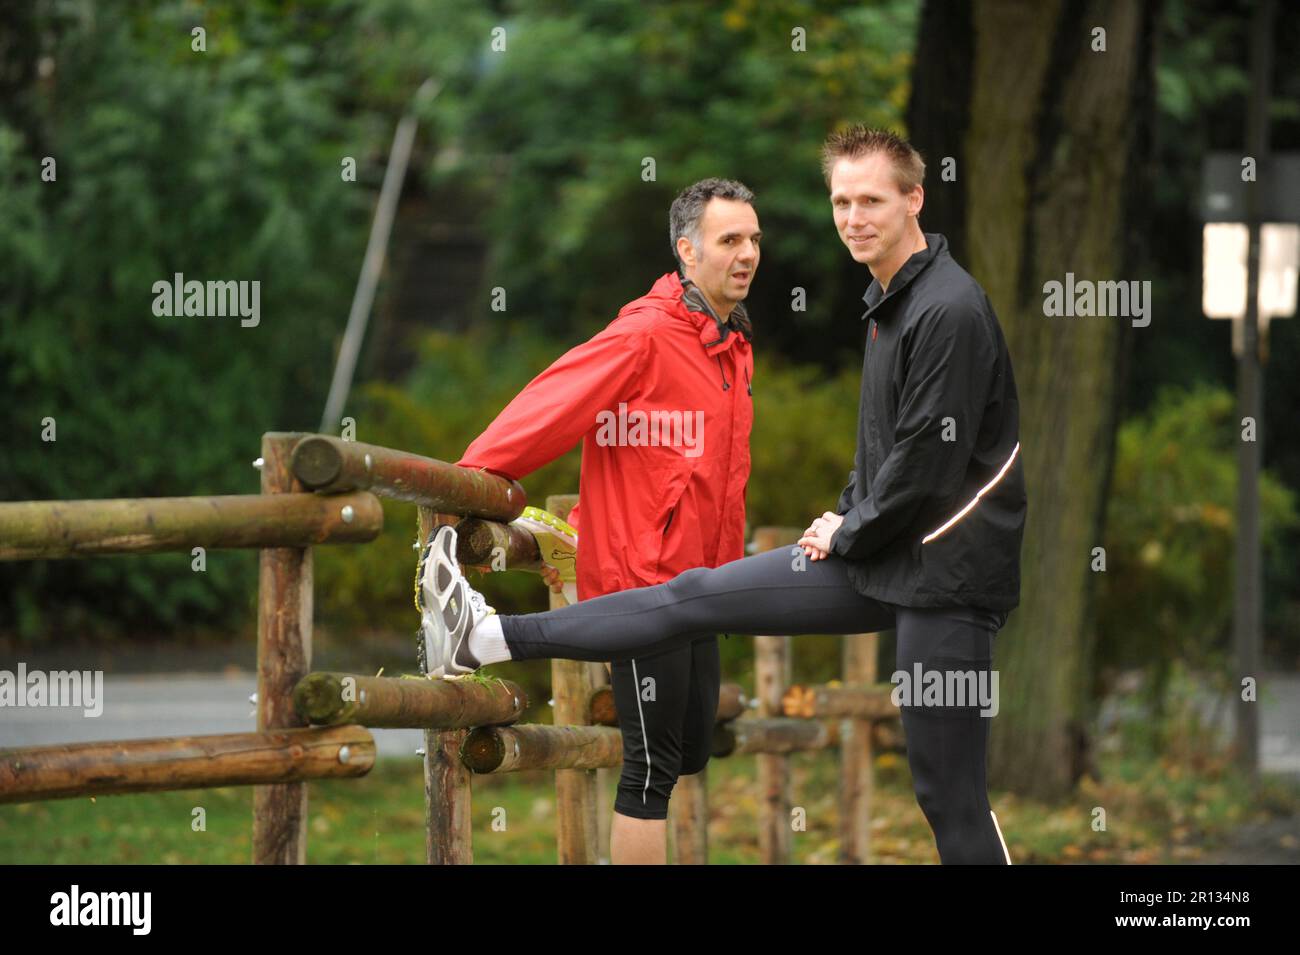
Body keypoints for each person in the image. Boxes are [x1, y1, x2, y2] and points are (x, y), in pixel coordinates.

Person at [422, 127, 1026, 864]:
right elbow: (886, 450)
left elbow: (929, 459)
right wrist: (846, 513)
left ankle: (487, 637)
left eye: (871, 199)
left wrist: (851, 525)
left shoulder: (946, 308)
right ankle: (486, 637)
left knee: (948, 793)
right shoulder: (887, 302)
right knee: (694, 595)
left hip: (945, 581)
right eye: (841, 200)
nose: (853, 216)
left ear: (914, 200)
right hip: (884, 557)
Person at [437, 178, 762, 865]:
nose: (748, 253)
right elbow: (554, 402)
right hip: (643, 582)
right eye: (731, 239)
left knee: (695, 744)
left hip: (704, 583)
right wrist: (471, 476)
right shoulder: (646, 333)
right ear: (687, 249)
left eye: (754, 239)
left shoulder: (731, 342)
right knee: (650, 769)